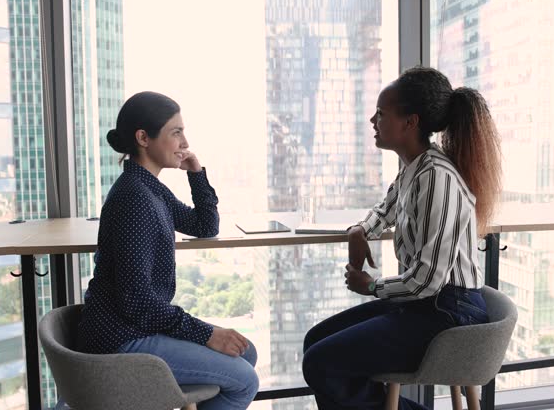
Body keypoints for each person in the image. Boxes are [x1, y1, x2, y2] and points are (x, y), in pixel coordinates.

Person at [301, 66, 502, 410]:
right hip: (423, 305)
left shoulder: (437, 178)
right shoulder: (415, 168)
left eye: (381, 113)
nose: (372, 120)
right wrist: (360, 230)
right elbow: (386, 209)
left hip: (447, 312)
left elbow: (426, 281)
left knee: (322, 361)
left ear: (410, 122)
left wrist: (371, 285)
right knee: (315, 342)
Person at [76, 91, 259, 410]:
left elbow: (205, 225)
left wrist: (195, 172)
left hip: (133, 326)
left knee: (245, 352)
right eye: (176, 133)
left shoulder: (149, 188)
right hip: (122, 339)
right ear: (143, 138)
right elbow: (137, 301)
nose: (185, 142)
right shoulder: (134, 199)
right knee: (245, 380)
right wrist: (207, 333)